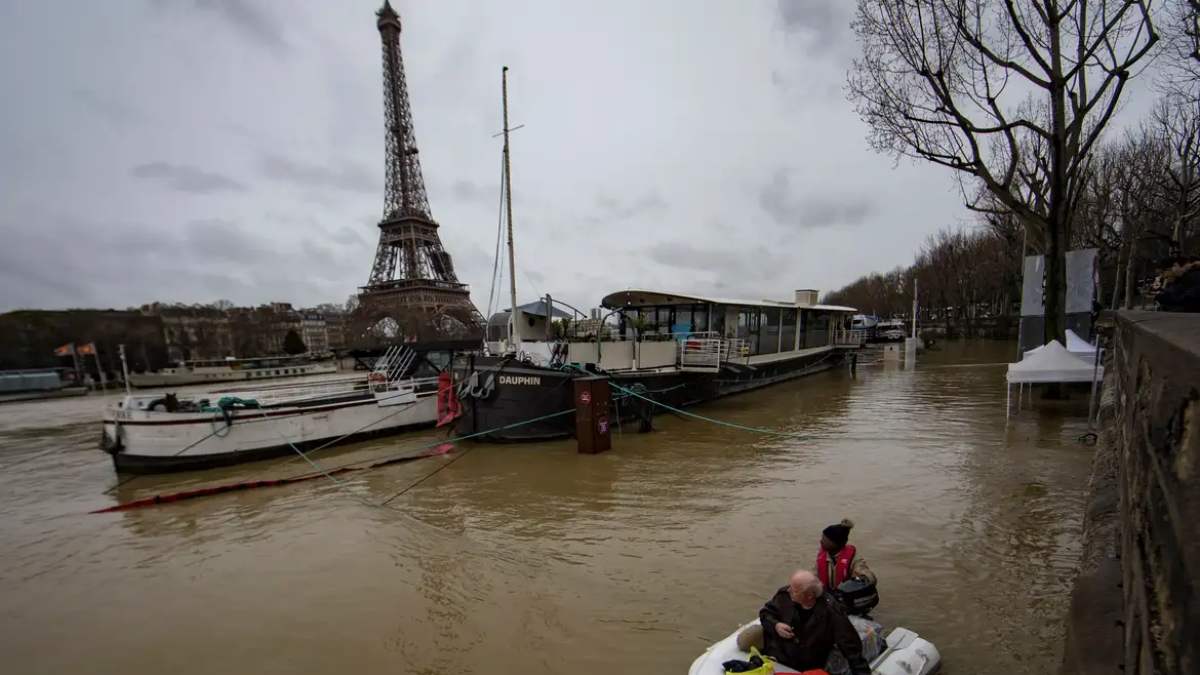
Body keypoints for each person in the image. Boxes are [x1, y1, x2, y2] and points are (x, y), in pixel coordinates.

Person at [759, 570, 870, 675]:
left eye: (795, 590)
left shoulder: (831, 612)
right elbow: (765, 614)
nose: (789, 591)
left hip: (806, 665)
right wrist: (776, 626)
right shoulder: (784, 595)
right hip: (777, 655)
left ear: (809, 596)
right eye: (790, 586)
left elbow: (851, 647)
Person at [817, 519, 876, 589]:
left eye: (825, 540)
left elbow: (869, 577)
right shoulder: (822, 555)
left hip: (846, 597)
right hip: (829, 596)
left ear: (837, 543)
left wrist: (861, 579)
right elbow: (814, 574)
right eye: (822, 538)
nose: (821, 541)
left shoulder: (854, 558)